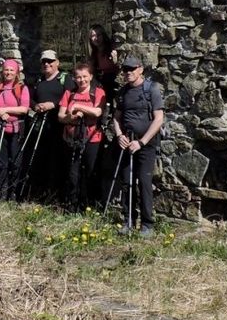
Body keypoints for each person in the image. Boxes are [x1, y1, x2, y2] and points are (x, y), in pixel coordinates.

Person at [112, 56, 164, 237]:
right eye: (125, 69)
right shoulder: (123, 92)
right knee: (127, 183)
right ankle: (128, 220)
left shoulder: (152, 90)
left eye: (132, 69)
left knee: (144, 181)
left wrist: (142, 142)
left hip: (146, 145)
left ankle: (147, 224)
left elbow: (159, 119)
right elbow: (116, 118)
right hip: (126, 143)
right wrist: (119, 135)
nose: (128, 73)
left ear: (140, 69)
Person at [58, 62, 106, 211]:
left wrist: (78, 107)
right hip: (71, 139)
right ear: (74, 78)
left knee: (90, 172)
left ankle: (90, 205)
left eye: (85, 76)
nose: (82, 80)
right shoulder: (69, 93)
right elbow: (60, 116)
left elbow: (98, 112)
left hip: (92, 138)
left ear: (91, 76)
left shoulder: (98, 92)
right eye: (78, 77)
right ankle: (72, 205)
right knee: (73, 173)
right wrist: (71, 118)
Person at [29, 50, 75, 202]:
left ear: (57, 63)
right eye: (44, 62)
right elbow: (31, 99)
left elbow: (71, 98)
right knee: (41, 159)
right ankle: (42, 193)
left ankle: (58, 196)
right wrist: (36, 106)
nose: (46, 64)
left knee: (58, 161)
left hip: (59, 126)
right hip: (40, 126)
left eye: (50, 61)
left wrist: (53, 105)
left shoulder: (65, 79)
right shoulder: (38, 80)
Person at [0, 59, 30, 202]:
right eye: (6, 70)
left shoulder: (22, 88)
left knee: (16, 162)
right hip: (0, 129)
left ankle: (14, 192)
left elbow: (24, 109)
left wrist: (5, 110)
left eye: (11, 70)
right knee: (1, 162)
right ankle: (2, 191)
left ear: (16, 72)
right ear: (2, 71)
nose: (8, 72)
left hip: (17, 129)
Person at [89, 24, 119, 110]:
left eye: (98, 35)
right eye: (93, 36)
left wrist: (115, 60)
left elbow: (117, 65)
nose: (96, 38)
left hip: (114, 79)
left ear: (103, 35)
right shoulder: (94, 53)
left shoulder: (111, 48)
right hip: (102, 80)